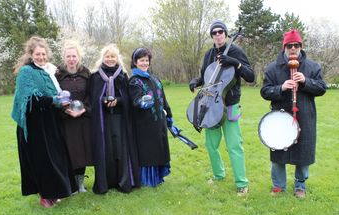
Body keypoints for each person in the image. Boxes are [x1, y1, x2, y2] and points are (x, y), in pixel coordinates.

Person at [188, 20, 255, 196]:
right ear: (212, 36)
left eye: (220, 32)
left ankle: (242, 183)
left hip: (231, 104)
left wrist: (235, 63)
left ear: (225, 33)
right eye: (214, 33)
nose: (218, 35)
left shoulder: (235, 51)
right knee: (211, 145)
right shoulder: (209, 54)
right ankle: (218, 175)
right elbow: (205, 77)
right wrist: (196, 81)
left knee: (234, 145)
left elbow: (251, 76)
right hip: (211, 106)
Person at [11, 36, 77, 208]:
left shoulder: (48, 71)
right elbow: (30, 99)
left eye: (43, 54)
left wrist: (62, 102)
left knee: (54, 158)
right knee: (42, 161)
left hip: (50, 122)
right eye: (37, 54)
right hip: (34, 126)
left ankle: (54, 193)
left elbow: (55, 93)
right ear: (31, 54)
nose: (41, 57)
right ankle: (45, 196)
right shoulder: (26, 72)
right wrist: (54, 100)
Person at [261, 29, 326, 198]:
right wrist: (280, 88)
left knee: (303, 153)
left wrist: (306, 81)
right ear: (284, 47)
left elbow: (321, 88)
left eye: (296, 45)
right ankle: (278, 186)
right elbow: (265, 91)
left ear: (300, 46)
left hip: (305, 116)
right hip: (280, 118)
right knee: (278, 153)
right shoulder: (273, 68)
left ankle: (300, 186)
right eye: (289, 45)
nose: (292, 48)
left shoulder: (312, 67)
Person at [90, 44, 141, 194]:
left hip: (119, 119)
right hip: (103, 120)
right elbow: (93, 97)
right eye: (107, 56)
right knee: (107, 150)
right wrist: (103, 100)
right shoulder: (96, 76)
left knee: (120, 149)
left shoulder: (122, 75)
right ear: (102, 58)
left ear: (117, 58)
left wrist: (117, 100)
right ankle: (106, 182)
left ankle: (123, 181)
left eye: (113, 56)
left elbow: (128, 97)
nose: (110, 59)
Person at [128, 47, 174, 187]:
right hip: (144, 124)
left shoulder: (154, 79)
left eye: (146, 60)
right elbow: (135, 101)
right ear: (135, 62)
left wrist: (169, 114)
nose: (144, 63)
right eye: (141, 60)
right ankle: (147, 180)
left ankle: (158, 177)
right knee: (149, 152)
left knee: (160, 148)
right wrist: (143, 102)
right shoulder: (134, 81)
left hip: (159, 122)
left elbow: (163, 99)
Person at [55, 40, 93, 193]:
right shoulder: (58, 75)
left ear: (79, 57)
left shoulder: (86, 74)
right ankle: (71, 185)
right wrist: (65, 111)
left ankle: (81, 184)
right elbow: (55, 96)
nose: (71, 59)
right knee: (69, 151)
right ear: (64, 57)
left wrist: (84, 109)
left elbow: (91, 95)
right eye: (68, 56)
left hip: (83, 120)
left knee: (82, 152)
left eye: (74, 56)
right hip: (67, 120)